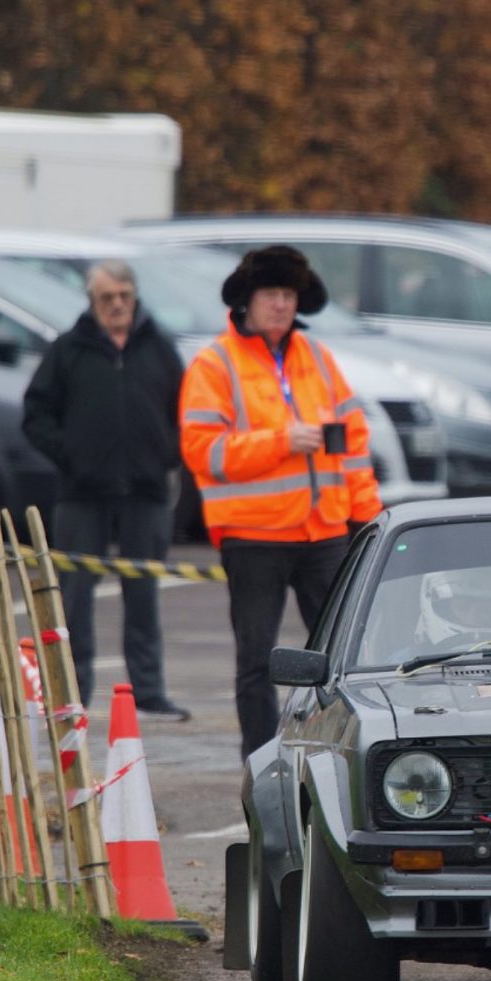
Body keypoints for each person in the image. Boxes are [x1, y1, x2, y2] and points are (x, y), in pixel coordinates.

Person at [179, 245, 382, 759]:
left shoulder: (317, 358)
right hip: (254, 537)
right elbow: (205, 453)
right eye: (271, 293)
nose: (281, 304)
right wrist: (280, 442)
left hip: (324, 533)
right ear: (247, 300)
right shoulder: (214, 364)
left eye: (289, 294)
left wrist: (367, 517)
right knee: (257, 662)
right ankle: (262, 764)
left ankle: (334, 754)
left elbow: (353, 444)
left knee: (343, 656)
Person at [22, 259, 188, 718]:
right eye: (106, 298)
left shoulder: (159, 348)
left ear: (135, 297)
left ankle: (150, 692)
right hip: (83, 493)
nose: (117, 305)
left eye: (124, 296)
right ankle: (72, 692)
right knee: (74, 596)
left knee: (143, 596)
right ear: (92, 302)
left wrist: (166, 455)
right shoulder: (68, 350)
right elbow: (35, 415)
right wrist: (72, 454)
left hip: (147, 491)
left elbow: (187, 408)